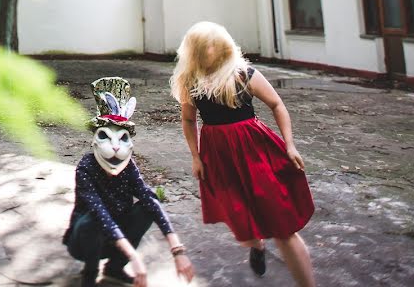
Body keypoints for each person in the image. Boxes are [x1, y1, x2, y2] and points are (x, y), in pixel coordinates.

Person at [170, 21, 315, 286]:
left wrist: (289, 144)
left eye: (214, 45)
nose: (210, 50)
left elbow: (276, 104)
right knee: (237, 214)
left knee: (282, 226)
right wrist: (195, 156)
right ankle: (256, 246)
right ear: (194, 51)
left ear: (223, 46)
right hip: (217, 155)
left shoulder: (243, 74)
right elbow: (189, 121)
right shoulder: (190, 81)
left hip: (253, 149)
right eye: (203, 47)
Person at [64, 77, 195, 287]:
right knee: (93, 219)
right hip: (85, 241)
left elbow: (151, 201)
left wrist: (177, 250)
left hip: (117, 239)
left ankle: (115, 268)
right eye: (106, 136)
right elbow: (100, 213)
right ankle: (90, 274)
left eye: (122, 137)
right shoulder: (86, 167)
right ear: (95, 139)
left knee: (146, 206)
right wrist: (135, 257)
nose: (115, 147)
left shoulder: (129, 166)